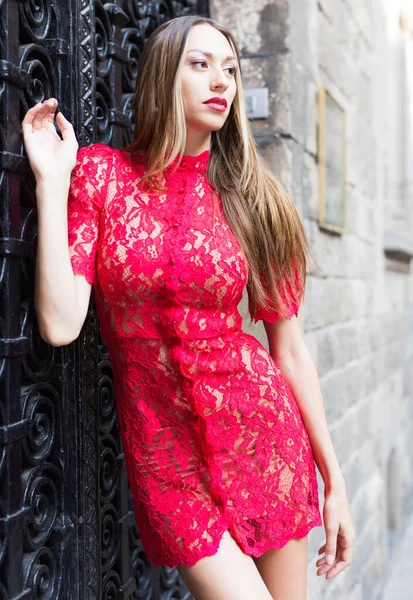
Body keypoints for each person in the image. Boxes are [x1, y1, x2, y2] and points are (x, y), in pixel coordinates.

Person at [22, 14, 355, 600]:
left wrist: (336, 482)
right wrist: (52, 183)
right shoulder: (104, 177)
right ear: (161, 78)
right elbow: (59, 321)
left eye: (229, 68)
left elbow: (292, 352)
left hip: (263, 438)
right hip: (167, 462)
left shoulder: (255, 199)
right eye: (200, 65)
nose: (220, 82)